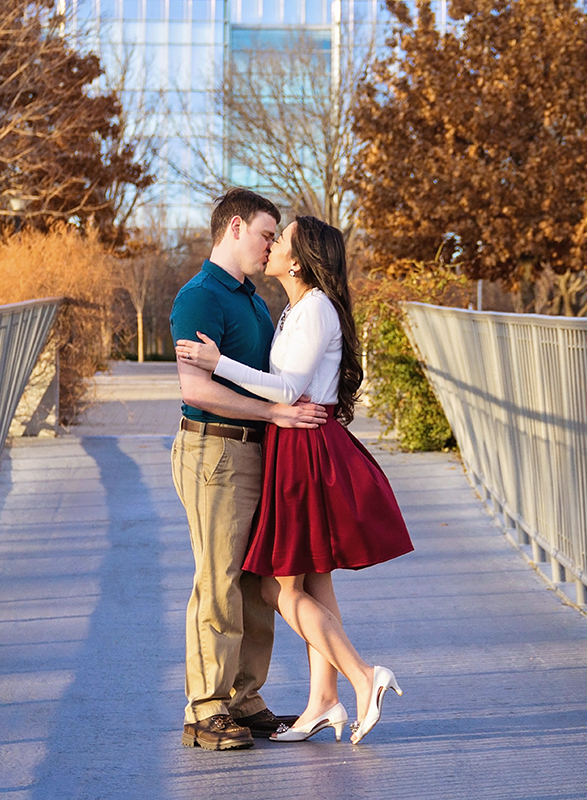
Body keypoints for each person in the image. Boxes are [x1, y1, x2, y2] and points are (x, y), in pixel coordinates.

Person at [176, 216, 414, 745]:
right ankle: (322, 702)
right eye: (270, 234)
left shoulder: (313, 310)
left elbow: (286, 386)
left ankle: (360, 675)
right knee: (312, 582)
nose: (272, 244)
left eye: (279, 239)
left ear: (299, 260)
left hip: (302, 446)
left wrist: (220, 362)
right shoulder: (293, 309)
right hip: (291, 443)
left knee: (277, 586)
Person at [170, 190, 328, 751]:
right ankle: (205, 709)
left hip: (262, 452)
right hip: (215, 453)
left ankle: (245, 697)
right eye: (266, 234)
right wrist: (274, 413)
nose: (271, 245)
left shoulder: (255, 301)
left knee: (260, 580)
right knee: (218, 579)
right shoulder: (199, 297)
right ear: (234, 228)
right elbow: (196, 389)